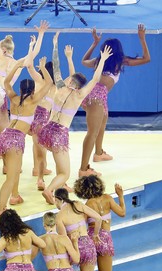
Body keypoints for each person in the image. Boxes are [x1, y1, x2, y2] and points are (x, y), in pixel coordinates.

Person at [38, 33, 113, 205]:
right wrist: (102, 59)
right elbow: (95, 79)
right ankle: (49, 190)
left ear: (70, 80)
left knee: (59, 165)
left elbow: (56, 66)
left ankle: (58, 190)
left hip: (46, 131)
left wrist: (55, 44)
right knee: (65, 172)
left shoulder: (60, 87)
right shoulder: (79, 95)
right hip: (59, 134)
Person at [0, 4, 49, 165]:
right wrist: (40, 35)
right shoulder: (18, 63)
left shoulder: (0, 56)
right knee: (6, 129)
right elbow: (35, 54)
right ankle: (7, 164)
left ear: (3, 48)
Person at [79, 24, 150, 177]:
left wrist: (94, 43)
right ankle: (83, 169)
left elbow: (84, 61)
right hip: (95, 97)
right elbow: (146, 59)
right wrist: (142, 39)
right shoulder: (117, 61)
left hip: (98, 96)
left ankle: (98, 153)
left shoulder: (101, 61)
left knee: (102, 123)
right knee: (92, 132)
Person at [0, 41, 52, 217]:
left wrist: (16, 66)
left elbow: (6, 81)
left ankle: (15, 195)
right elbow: (49, 83)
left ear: (20, 88)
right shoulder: (33, 101)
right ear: (32, 90)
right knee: (11, 175)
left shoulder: (13, 98)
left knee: (14, 170)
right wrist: (42, 68)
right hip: (15, 139)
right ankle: (1, 208)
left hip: (3, 136)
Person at [74, 175, 126, 271]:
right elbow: (122, 213)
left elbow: (81, 226)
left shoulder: (87, 204)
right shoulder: (108, 199)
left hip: (90, 240)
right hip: (106, 240)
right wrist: (121, 196)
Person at [32, 45, 76, 191]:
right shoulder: (56, 87)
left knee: (40, 153)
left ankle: (40, 179)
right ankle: (55, 181)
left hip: (36, 122)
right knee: (56, 154)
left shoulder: (42, 82)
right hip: (45, 123)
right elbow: (73, 75)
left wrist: (32, 49)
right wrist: (69, 58)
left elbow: (29, 67)